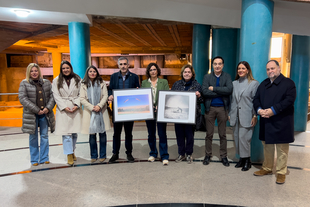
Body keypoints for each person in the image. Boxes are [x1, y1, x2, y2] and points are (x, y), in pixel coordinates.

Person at [253, 60, 296, 184]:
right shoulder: (264, 84)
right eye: (268, 69)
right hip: (266, 121)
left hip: (282, 121)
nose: (270, 71)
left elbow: (289, 100)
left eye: (272, 68)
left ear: (279, 69)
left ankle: (281, 172)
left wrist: (273, 110)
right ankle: (267, 168)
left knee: (282, 149)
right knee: (267, 146)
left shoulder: (288, 83)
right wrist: (260, 110)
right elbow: (256, 99)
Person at [18, 63, 55, 166]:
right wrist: (36, 110)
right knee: (33, 137)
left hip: (45, 114)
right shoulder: (24, 83)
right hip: (32, 115)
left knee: (44, 136)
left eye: (36, 70)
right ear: (28, 72)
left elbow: (52, 97)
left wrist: (48, 108)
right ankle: (34, 159)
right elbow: (23, 98)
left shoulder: (46, 83)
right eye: (32, 71)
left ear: (39, 71)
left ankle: (44, 158)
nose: (34, 73)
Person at [108, 57, 140, 163]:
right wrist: (110, 96)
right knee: (116, 133)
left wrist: (137, 91)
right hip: (117, 110)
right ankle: (115, 153)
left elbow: (138, 90)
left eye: (125, 64)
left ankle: (129, 153)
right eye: (121, 64)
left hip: (129, 110)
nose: (123, 66)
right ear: (118, 65)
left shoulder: (134, 77)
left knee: (128, 133)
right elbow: (110, 89)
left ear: (128, 65)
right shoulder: (113, 77)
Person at [202, 56, 233, 167]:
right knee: (209, 134)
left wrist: (214, 88)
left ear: (223, 65)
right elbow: (204, 92)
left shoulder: (227, 76)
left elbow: (229, 90)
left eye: (219, 64)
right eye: (215, 64)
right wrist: (221, 92)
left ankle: (223, 156)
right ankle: (208, 155)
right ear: (212, 65)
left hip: (222, 109)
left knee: (222, 134)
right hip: (209, 108)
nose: (217, 66)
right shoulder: (207, 77)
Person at [229, 61, 259, 171]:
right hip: (235, 115)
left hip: (247, 115)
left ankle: (247, 160)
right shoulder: (234, 83)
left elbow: (256, 101)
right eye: (239, 69)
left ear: (247, 70)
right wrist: (229, 114)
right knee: (236, 138)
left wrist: (255, 115)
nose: (240, 70)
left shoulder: (254, 83)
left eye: (243, 68)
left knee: (244, 139)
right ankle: (241, 159)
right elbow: (232, 100)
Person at [171, 64, 203, 164]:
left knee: (190, 136)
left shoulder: (197, 85)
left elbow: (202, 100)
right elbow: (171, 98)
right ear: (182, 73)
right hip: (178, 115)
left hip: (190, 115)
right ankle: (181, 154)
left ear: (192, 74)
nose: (187, 74)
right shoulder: (176, 84)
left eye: (189, 72)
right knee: (179, 135)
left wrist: (199, 96)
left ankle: (189, 154)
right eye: (185, 72)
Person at [52, 60, 82, 166]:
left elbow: (81, 93)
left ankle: (72, 150)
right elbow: (56, 95)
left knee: (74, 132)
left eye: (67, 68)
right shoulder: (56, 80)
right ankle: (69, 154)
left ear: (71, 68)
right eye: (63, 68)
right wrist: (64, 107)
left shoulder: (78, 79)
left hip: (75, 108)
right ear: (61, 69)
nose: (65, 70)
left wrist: (76, 105)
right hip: (63, 109)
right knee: (66, 134)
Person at [80, 65, 111, 163]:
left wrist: (99, 106)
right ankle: (93, 155)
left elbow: (105, 96)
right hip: (90, 112)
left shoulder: (102, 83)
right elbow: (81, 98)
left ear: (97, 73)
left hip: (101, 111)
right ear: (87, 73)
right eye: (90, 71)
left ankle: (103, 155)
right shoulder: (83, 84)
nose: (92, 73)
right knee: (92, 135)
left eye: (94, 71)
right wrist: (91, 107)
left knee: (102, 134)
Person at [141, 63, 169, 165]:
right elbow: (143, 97)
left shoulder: (164, 82)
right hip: (149, 113)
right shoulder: (144, 83)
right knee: (151, 134)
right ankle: (153, 153)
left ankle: (164, 155)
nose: (153, 71)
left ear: (157, 71)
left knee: (162, 134)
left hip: (160, 112)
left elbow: (166, 96)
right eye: (151, 70)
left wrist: (159, 105)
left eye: (154, 69)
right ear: (148, 72)